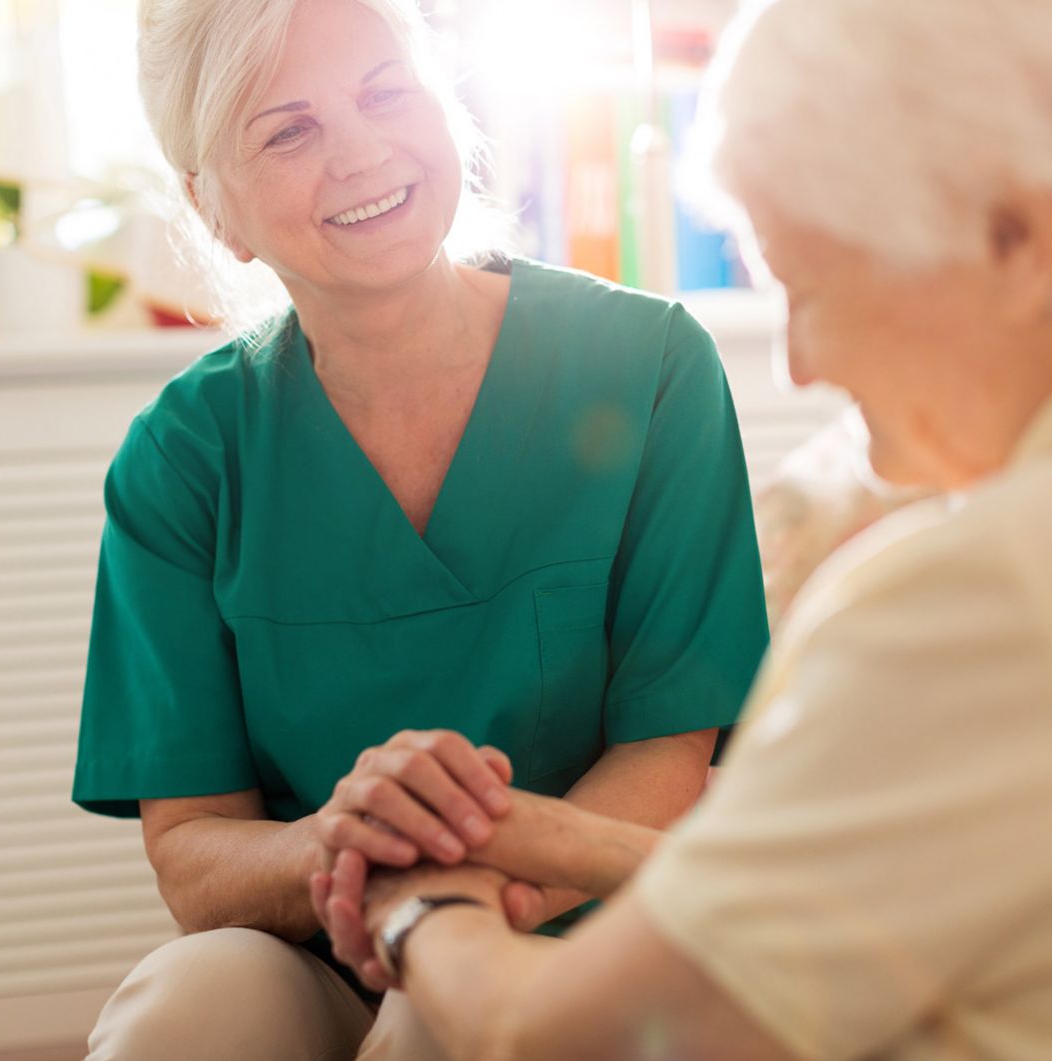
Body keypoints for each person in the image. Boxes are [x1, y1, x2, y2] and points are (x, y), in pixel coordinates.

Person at [316, 0, 1052, 1057]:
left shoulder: (975, 592)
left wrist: (423, 903)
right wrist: (541, 832)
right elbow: (858, 871)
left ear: (1013, 240)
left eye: (806, 287)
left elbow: (554, 1032)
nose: (797, 365)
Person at [71, 0, 769, 1056]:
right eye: (287, 129)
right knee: (184, 1012)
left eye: (385, 90)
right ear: (212, 206)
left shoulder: (651, 365)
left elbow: (670, 750)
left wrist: (456, 901)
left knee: (439, 1012)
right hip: (320, 937)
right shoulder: (182, 456)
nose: (360, 153)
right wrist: (342, 846)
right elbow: (192, 849)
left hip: (581, 922)